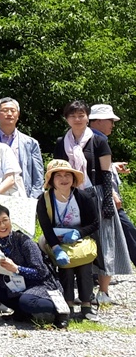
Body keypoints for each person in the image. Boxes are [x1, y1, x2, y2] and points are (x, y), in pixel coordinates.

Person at [55, 100, 133, 306]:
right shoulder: (62, 141)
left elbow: (107, 173)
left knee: (104, 239)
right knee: (73, 239)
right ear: (66, 119)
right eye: (73, 116)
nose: (77, 119)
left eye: (81, 115)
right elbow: (56, 171)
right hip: (71, 195)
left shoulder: (98, 141)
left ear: (88, 117)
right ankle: (75, 291)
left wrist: (108, 199)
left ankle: (104, 291)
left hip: (97, 194)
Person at [0, 202, 67, 328]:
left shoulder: (23, 241)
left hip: (40, 284)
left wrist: (17, 268)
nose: (2, 225)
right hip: (15, 283)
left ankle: (61, 311)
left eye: (5, 220)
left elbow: (42, 272)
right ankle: (21, 312)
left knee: (27, 301)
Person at [36, 160, 100, 321]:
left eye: (67, 175)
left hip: (80, 238)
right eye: (58, 175)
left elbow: (95, 223)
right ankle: (68, 304)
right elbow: (46, 228)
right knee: (66, 268)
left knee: (85, 266)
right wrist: (56, 247)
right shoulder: (44, 199)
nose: (64, 179)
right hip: (55, 240)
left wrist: (78, 233)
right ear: (51, 179)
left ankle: (87, 304)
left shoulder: (83, 196)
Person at [87, 104, 136, 302]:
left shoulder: (97, 138)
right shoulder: (93, 139)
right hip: (104, 196)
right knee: (122, 231)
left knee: (121, 232)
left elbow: (101, 167)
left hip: (105, 195)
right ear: (98, 121)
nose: (113, 125)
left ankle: (98, 275)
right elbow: (93, 171)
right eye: (110, 121)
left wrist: (114, 167)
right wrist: (111, 193)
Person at [0, 97, 45, 199]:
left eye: (13, 110)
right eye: (5, 110)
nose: (9, 113)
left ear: (18, 115)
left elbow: (38, 175)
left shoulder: (30, 143)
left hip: (23, 194)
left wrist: (33, 198)